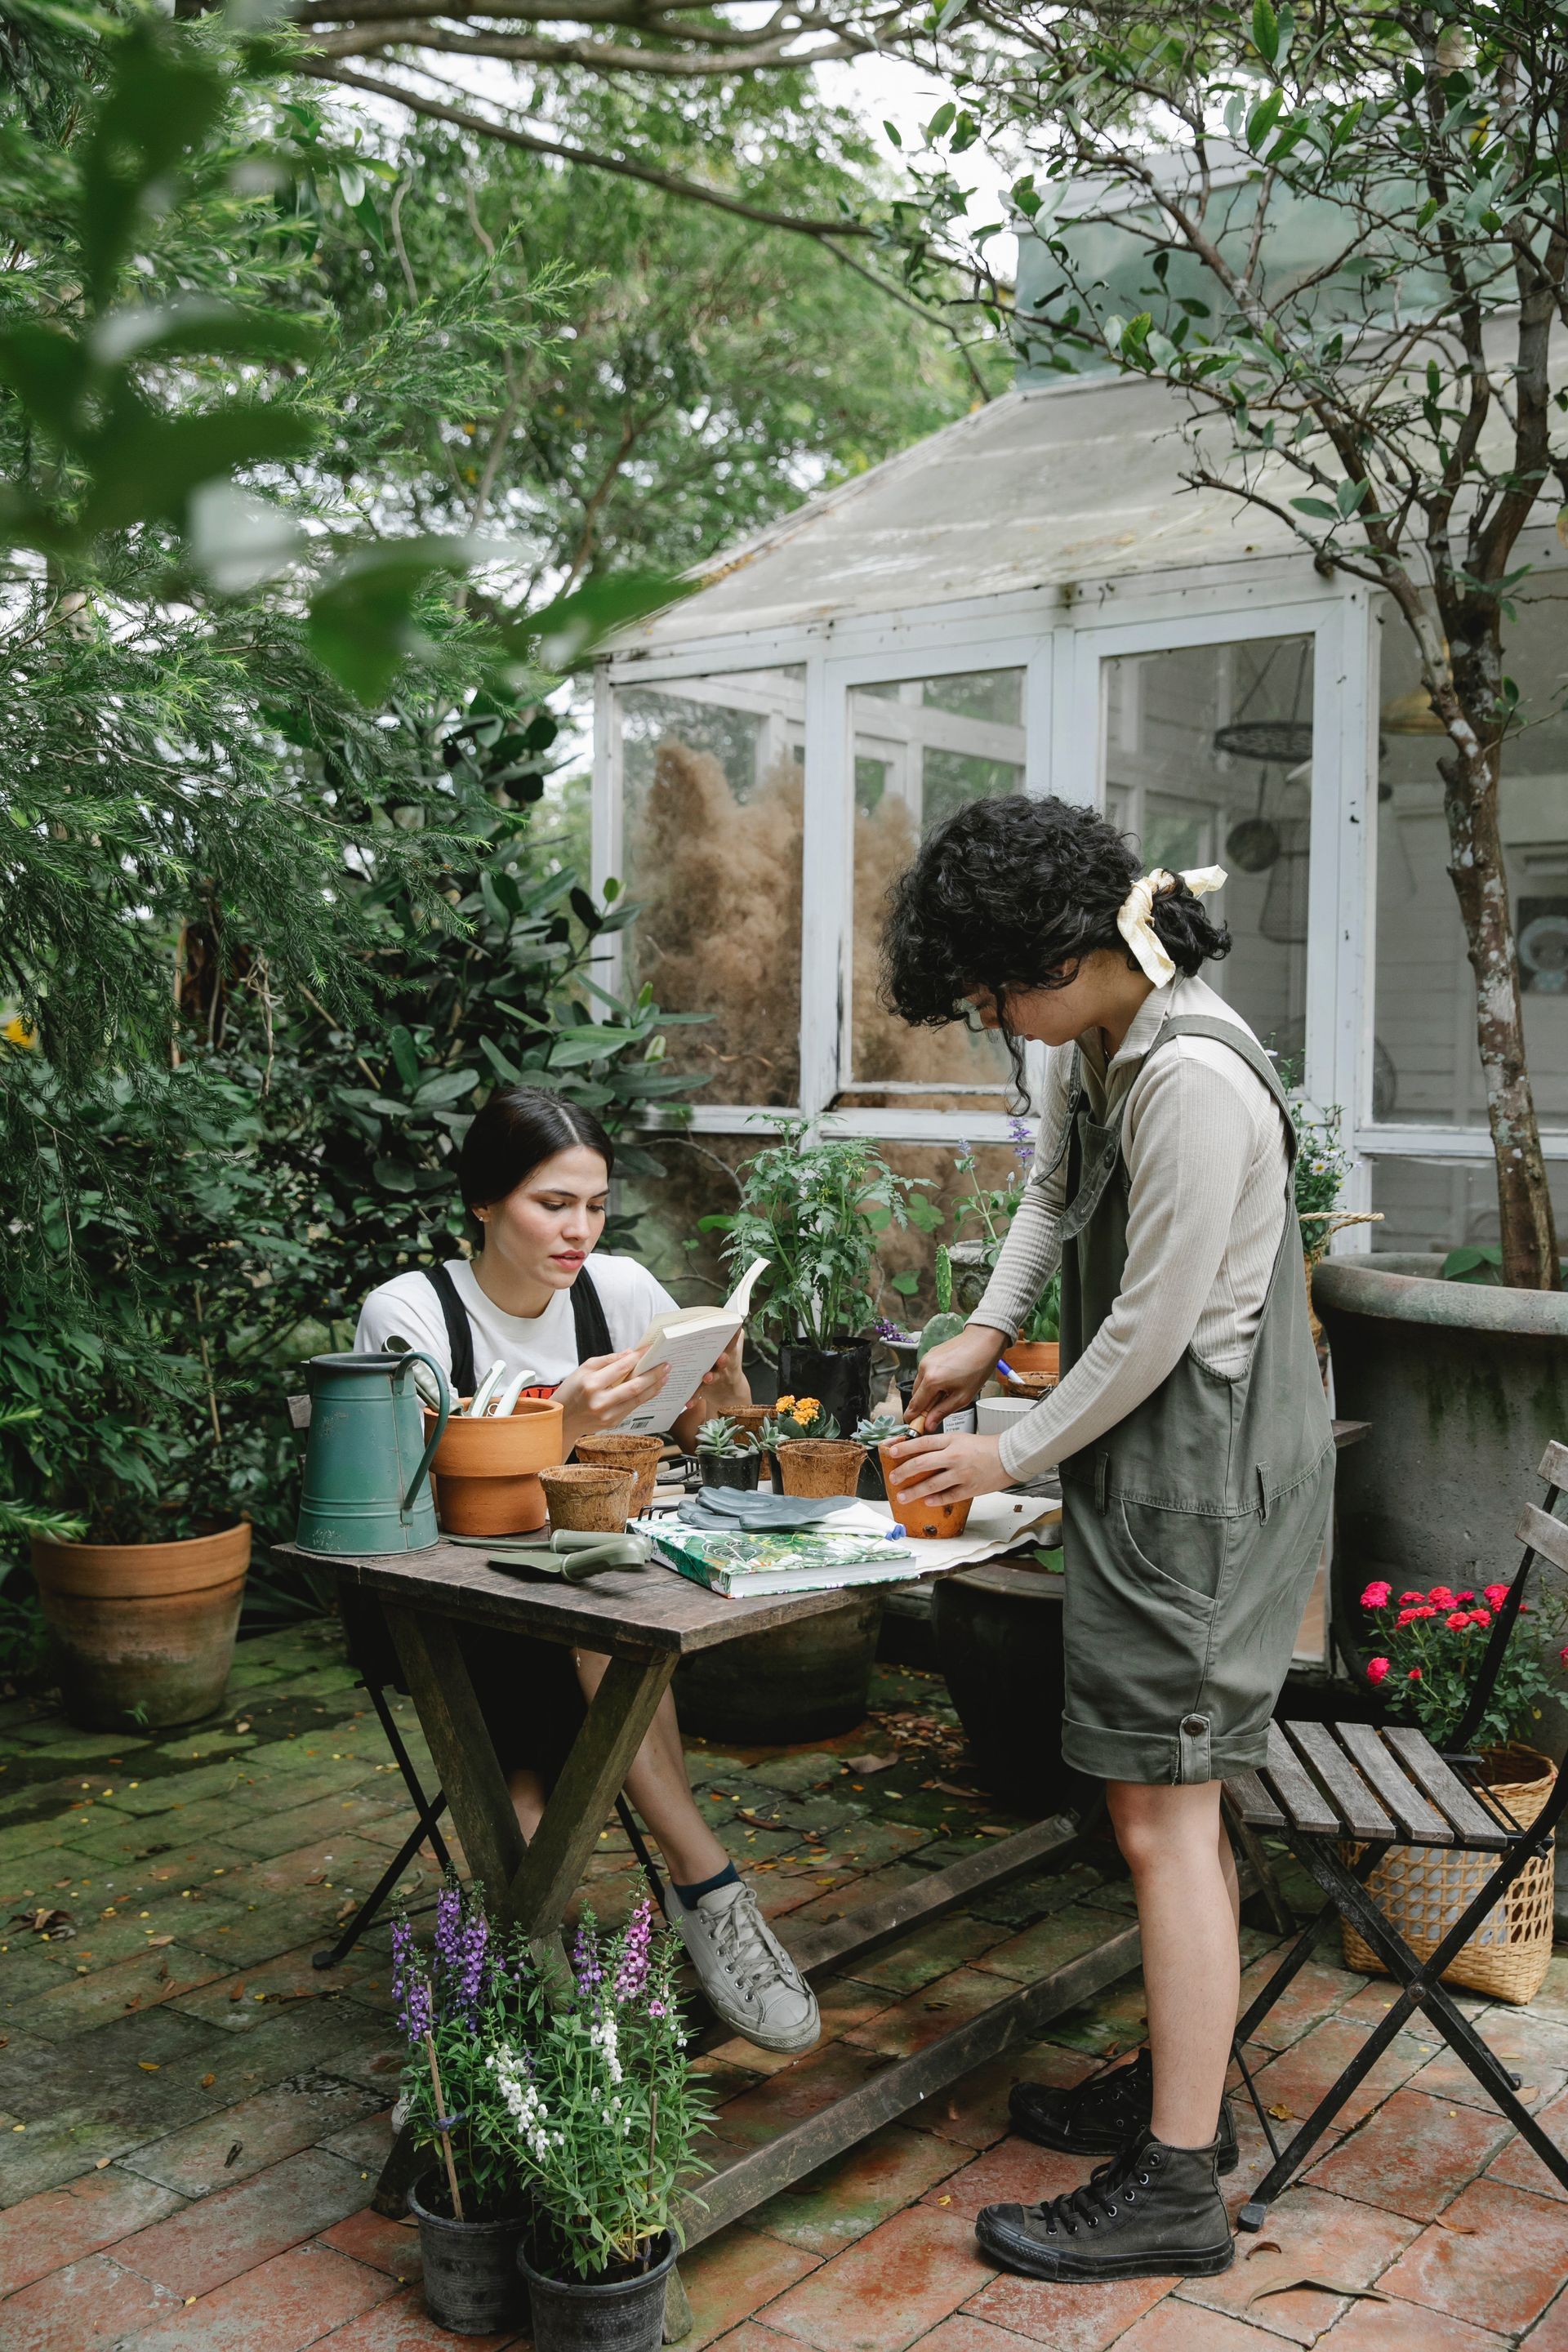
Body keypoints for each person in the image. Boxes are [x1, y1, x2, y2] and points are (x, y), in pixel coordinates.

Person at [881, 796, 1332, 2284]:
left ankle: (1177, 2185)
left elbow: (1146, 1331)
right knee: (1159, 1805)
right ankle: (1176, 2087)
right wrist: (986, 1330)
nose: (998, 1020)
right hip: (1153, 1470)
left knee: (1168, 1817)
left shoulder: (1192, 1079)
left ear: (1072, 951)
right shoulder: (1106, 1041)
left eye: (999, 993)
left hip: (1197, 1477)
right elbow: (1052, 1200)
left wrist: (1007, 1445)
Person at [355, 1086, 819, 2057]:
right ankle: (709, 1893)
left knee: (596, 1662)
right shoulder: (413, 1311)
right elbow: (408, 1492)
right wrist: (558, 1421)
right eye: (552, 1203)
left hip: (597, 1579)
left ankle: (538, 1973)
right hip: (447, 1601)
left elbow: (704, 1439)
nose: (580, 1230)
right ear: (483, 1202)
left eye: (596, 1205)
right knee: (606, 1635)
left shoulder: (620, 1293)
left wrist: (725, 1382)